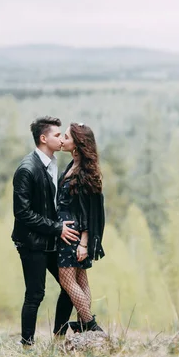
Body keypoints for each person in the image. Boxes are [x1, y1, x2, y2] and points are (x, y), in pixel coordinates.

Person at [11, 116, 80, 346]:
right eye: (57, 135)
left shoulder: (52, 163)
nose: (61, 139)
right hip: (32, 242)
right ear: (43, 138)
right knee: (35, 294)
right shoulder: (27, 169)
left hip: (51, 239)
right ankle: (27, 346)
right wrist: (56, 228)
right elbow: (22, 213)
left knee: (69, 288)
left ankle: (58, 339)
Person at [57, 122, 105, 332]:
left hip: (72, 233)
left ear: (77, 143)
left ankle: (90, 324)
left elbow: (88, 211)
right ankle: (86, 325)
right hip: (70, 231)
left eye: (66, 137)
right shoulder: (74, 165)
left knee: (67, 282)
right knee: (80, 279)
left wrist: (84, 244)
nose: (62, 140)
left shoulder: (84, 171)